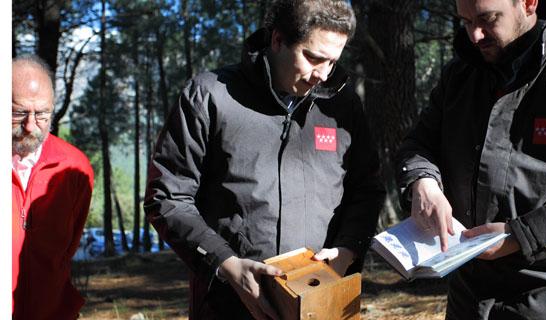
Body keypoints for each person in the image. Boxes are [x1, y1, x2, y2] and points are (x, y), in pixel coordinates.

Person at [396, 0, 546, 319]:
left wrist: (522, 235)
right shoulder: (458, 77)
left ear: (528, 3)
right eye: (465, 22)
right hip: (467, 294)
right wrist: (422, 180)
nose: (475, 35)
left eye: (487, 19)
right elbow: (419, 143)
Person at [144, 0, 384, 318]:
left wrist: (348, 250)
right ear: (278, 40)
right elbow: (167, 198)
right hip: (228, 304)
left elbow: (366, 189)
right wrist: (224, 263)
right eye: (313, 58)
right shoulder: (210, 95)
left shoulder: (342, 106)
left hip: (323, 300)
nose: (323, 76)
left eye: (333, 62)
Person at [12, 55, 94, 319]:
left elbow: (68, 249)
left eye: (42, 114)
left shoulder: (75, 169)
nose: (30, 125)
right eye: (18, 112)